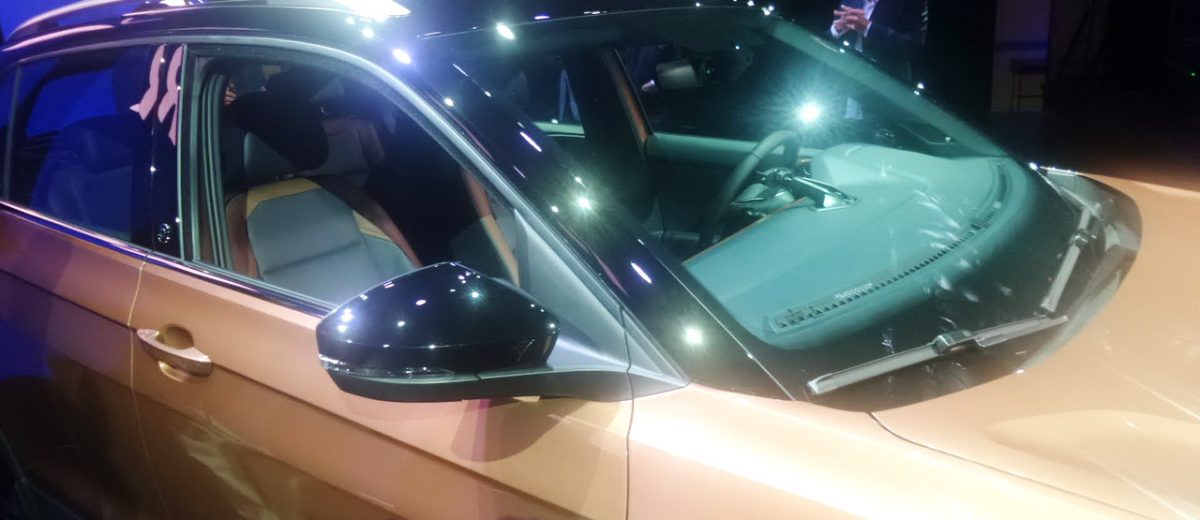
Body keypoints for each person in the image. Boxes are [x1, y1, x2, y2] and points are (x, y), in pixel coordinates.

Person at [831, 0, 928, 81]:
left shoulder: (913, 2)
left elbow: (914, 47)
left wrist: (868, 28)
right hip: (842, 73)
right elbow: (830, 35)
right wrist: (837, 29)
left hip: (883, 81)